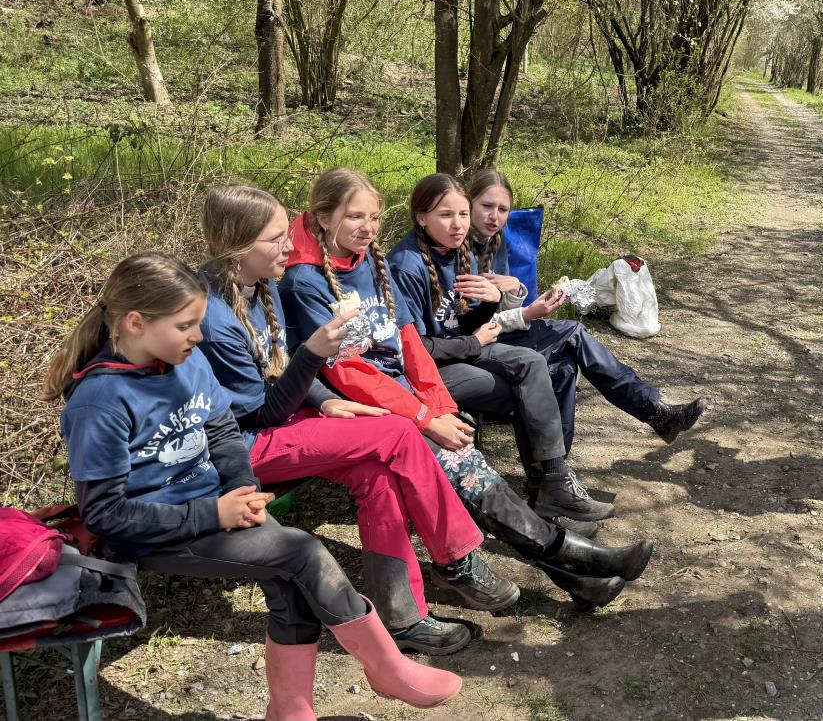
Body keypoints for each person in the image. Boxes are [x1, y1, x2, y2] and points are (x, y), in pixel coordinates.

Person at [41, 252, 461, 720]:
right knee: (303, 553)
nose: (199, 336)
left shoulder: (186, 361)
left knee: (291, 590)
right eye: (185, 325)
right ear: (136, 323)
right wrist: (214, 513)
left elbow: (222, 430)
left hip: (218, 505)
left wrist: (242, 488)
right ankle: (388, 668)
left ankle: (289, 713)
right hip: (156, 530)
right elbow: (105, 514)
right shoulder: (99, 401)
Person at [278, 167, 655, 611]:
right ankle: (577, 562)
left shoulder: (368, 262)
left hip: (406, 397)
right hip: (365, 410)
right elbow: (349, 375)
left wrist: (438, 405)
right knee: (468, 474)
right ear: (324, 218)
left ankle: (577, 576)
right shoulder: (305, 282)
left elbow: (410, 345)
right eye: (355, 217)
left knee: (474, 471)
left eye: (374, 217)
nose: (368, 228)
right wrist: (425, 418)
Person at [196, 184, 517, 650]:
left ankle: (401, 616)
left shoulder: (259, 281)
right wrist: (314, 357)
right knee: (397, 432)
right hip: (242, 445)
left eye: (288, 233)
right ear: (239, 245)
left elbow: (280, 368)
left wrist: (325, 399)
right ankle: (456, 557)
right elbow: (262, 410)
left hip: (282, 419)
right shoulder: (214, 316)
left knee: (376, 473)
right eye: (277, 238)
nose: (291, 244)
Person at [388, 174, 612, 534]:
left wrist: (491, 303)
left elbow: (461, 322)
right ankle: (545, 497)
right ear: (421, 217)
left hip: (459, 351)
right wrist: (474, 342)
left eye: (463, 214)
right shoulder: (406, 265)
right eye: (446, 215)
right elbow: (414, 349)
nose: (458, 224)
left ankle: (553, 483)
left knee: (533, 363)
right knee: (524, 390)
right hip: (424, 371)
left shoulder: (459, 250)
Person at [462, 168, 708, 455]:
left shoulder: (495, 241)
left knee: (565, 364)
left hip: (498, 334)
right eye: (487, 206)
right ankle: (652, 413)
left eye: (502, 209)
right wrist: (526, 314)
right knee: (573, 333)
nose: (494, 216)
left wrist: (516, 291)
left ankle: (554, 468)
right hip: (476, 344)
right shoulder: (459, 247)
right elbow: (471, 324)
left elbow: (497, 307)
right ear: (469, 203)